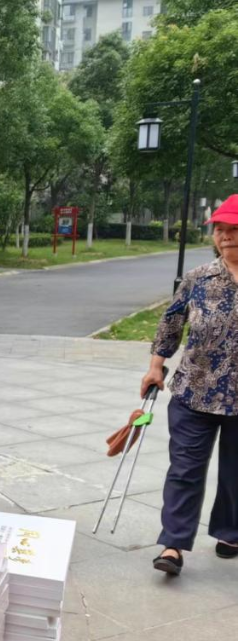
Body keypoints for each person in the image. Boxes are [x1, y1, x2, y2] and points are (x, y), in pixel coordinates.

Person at [145, 195, 238, 577]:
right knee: (184, 469)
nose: (226, 237)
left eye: (234, 230)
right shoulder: (198, 278)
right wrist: (155, 367)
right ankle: (173, 545)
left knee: (236, 472)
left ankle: (230, 532)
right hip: (193, 391)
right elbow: (171, 322)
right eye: (220, 230)